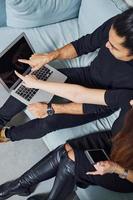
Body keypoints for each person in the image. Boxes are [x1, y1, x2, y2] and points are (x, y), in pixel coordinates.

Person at [1, 8, 133, 142]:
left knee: (49, 122)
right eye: (108, 40)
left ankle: (7, 135)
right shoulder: (119, 25)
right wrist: (49, 57)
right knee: (32, 82)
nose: (106, 45)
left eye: (114, 47)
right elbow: (84, 45)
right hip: (88, 74)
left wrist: (51, 109)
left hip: (104, 102)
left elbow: (87, 100)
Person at [0, 106, 133, 200]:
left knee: (71, 159)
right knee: (67, 148)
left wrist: (116, 168)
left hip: (126, 171)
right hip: (117, 140)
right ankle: (21, 185)